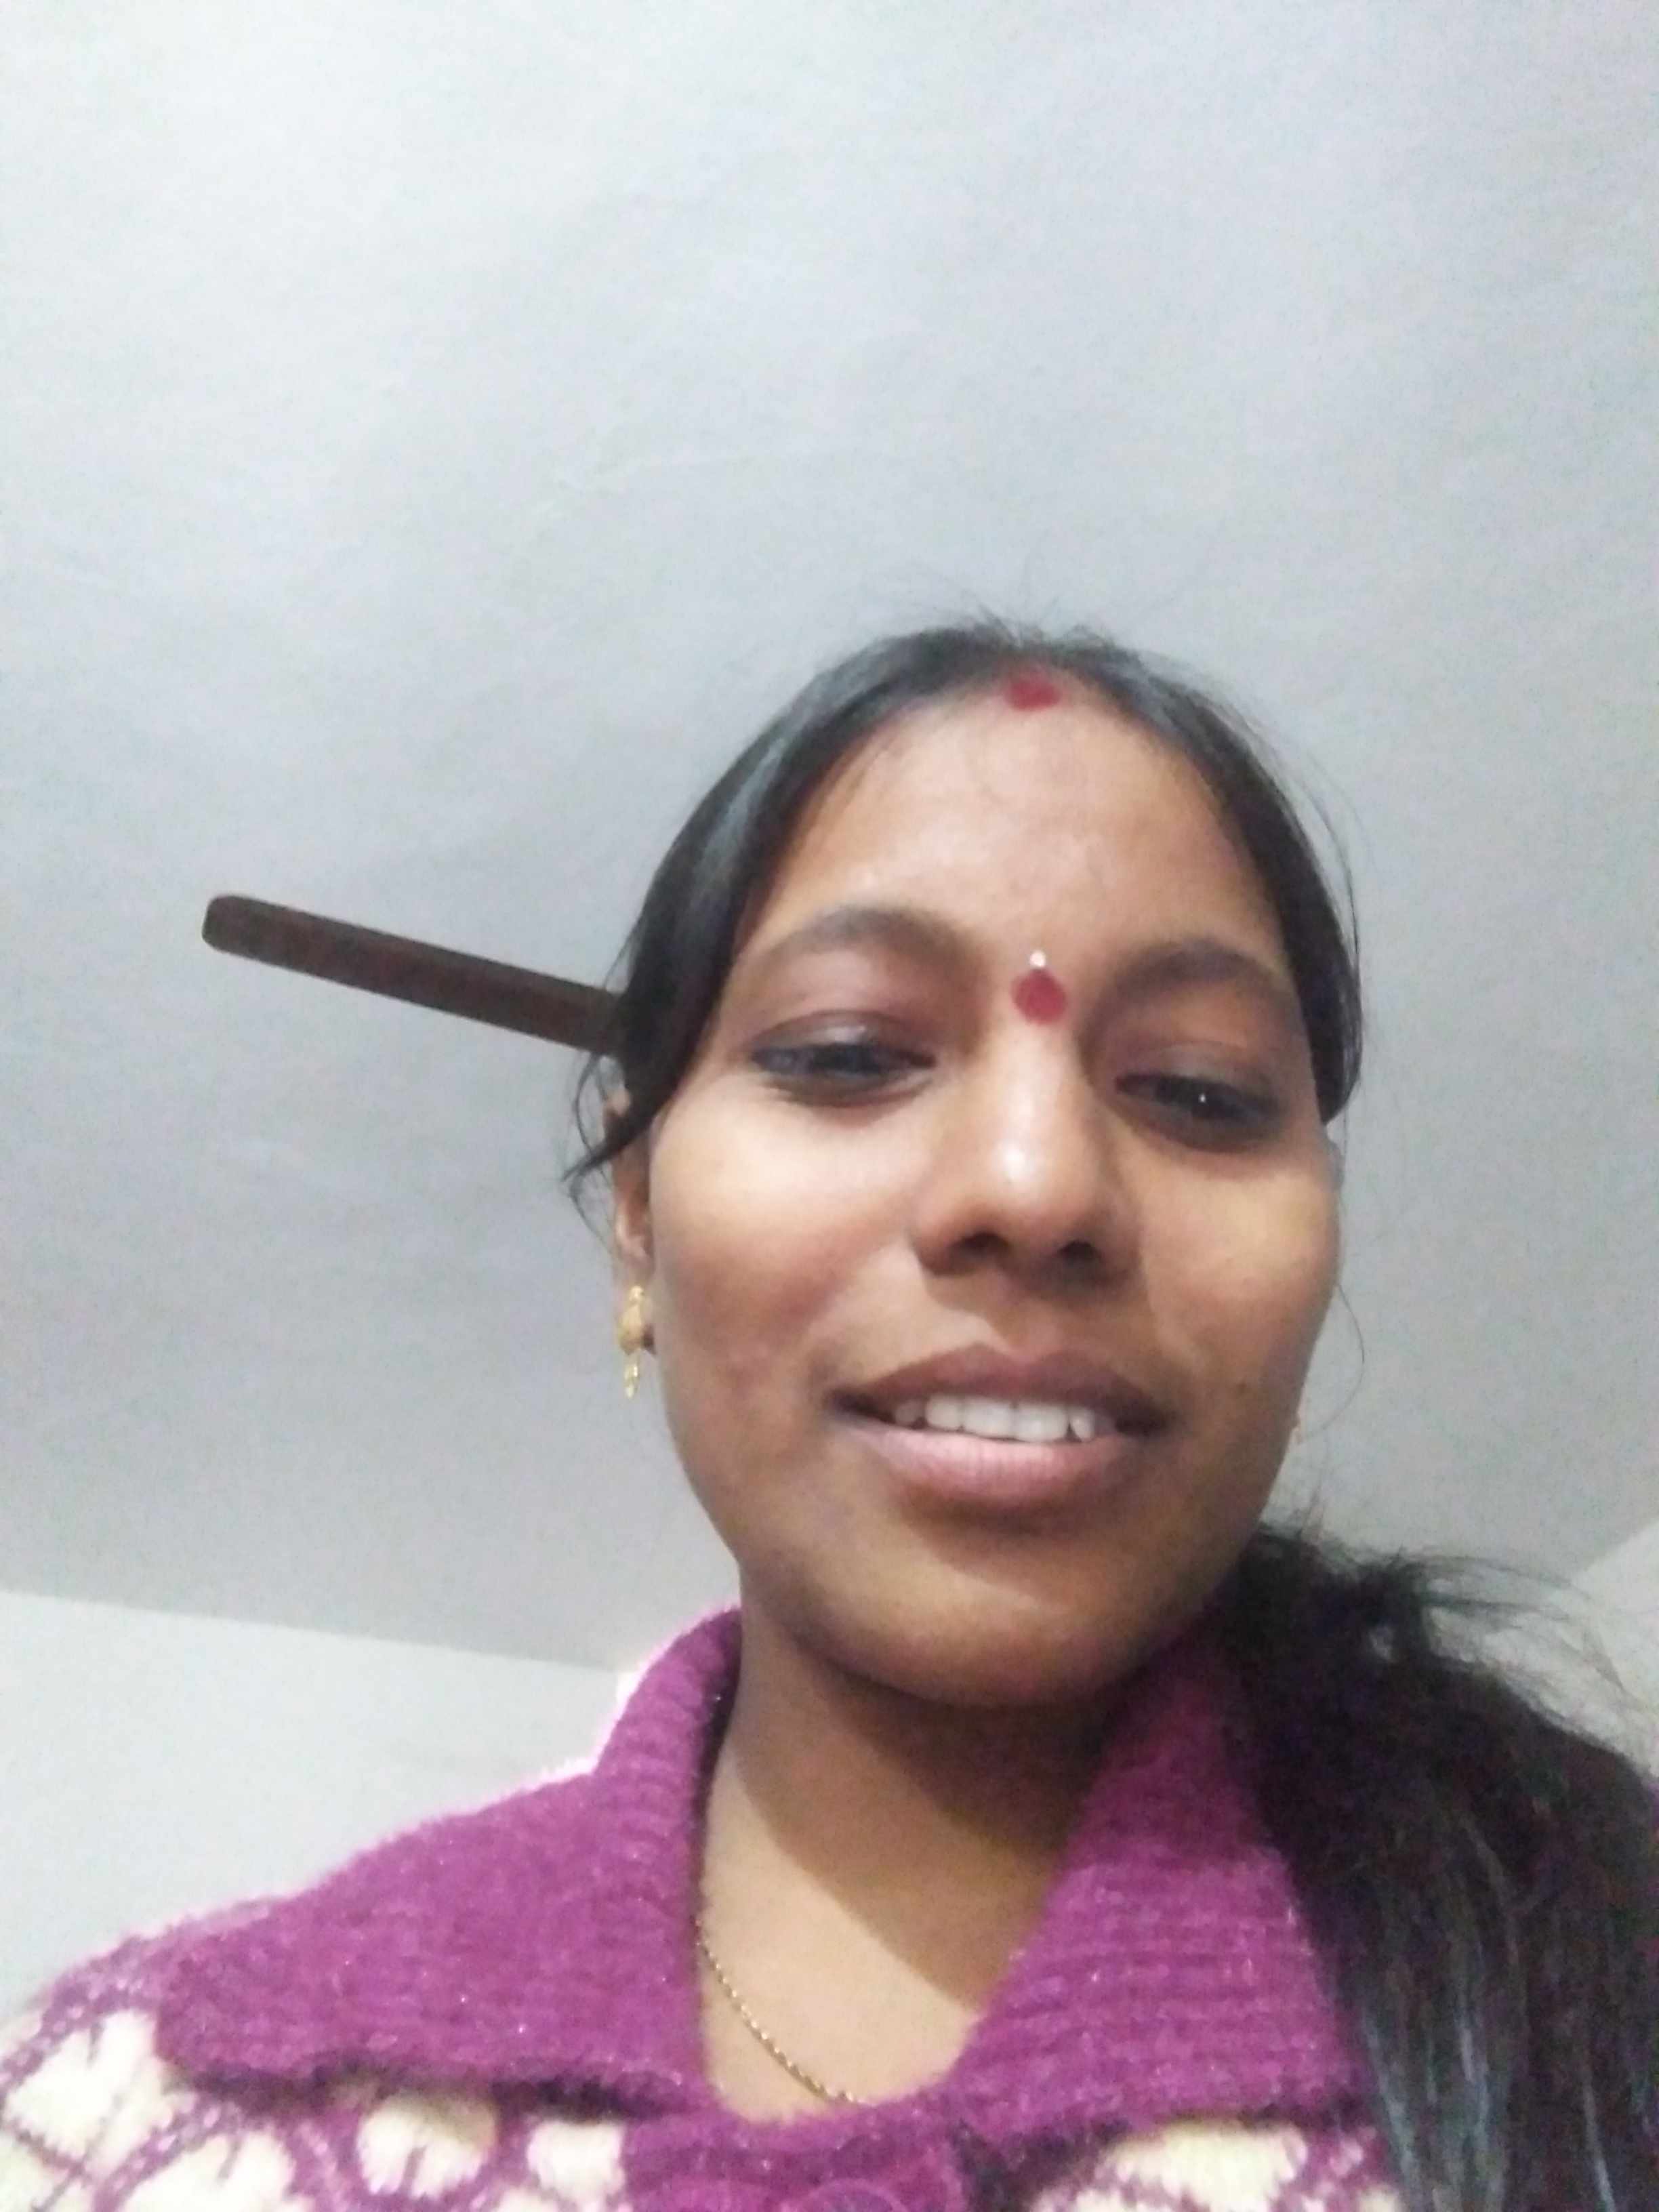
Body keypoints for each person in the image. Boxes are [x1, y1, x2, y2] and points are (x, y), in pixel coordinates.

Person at [3, 624, 1654, 2212]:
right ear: (639, 1219)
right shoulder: (131, 2117)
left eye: (1198, 1089)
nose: (1035, 1187)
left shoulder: (1601, 2003)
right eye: (852, 1054)